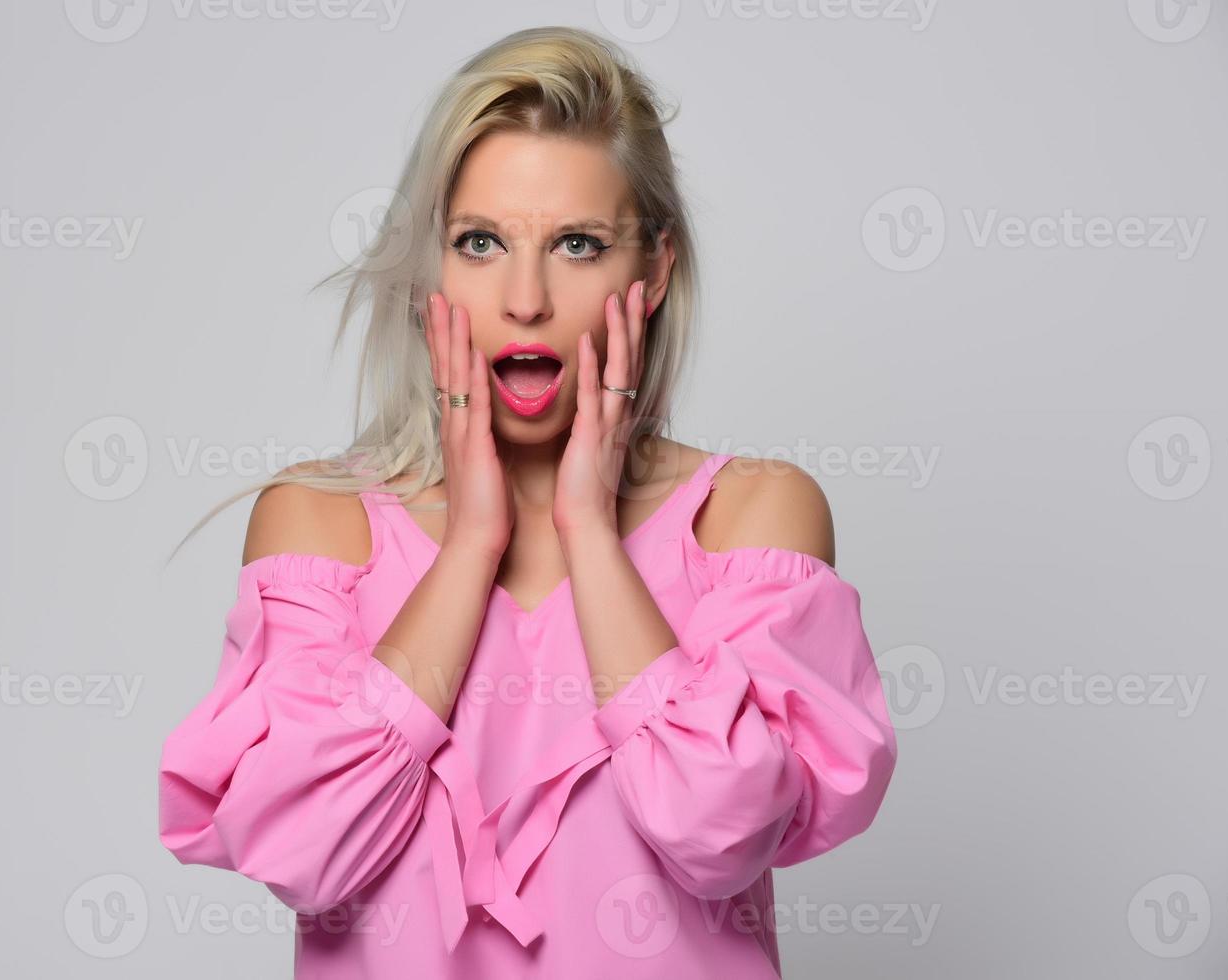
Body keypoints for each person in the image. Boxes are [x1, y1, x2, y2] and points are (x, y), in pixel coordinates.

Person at [157, 25, 897, 979]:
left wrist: (589, 528)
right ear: (432, 269)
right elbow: (306, 853)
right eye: (480, 242)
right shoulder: (321, 525)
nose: (526, 299)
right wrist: (471, 546)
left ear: (654, 270)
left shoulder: (751, 519)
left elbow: (721, 831)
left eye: (579, 245)